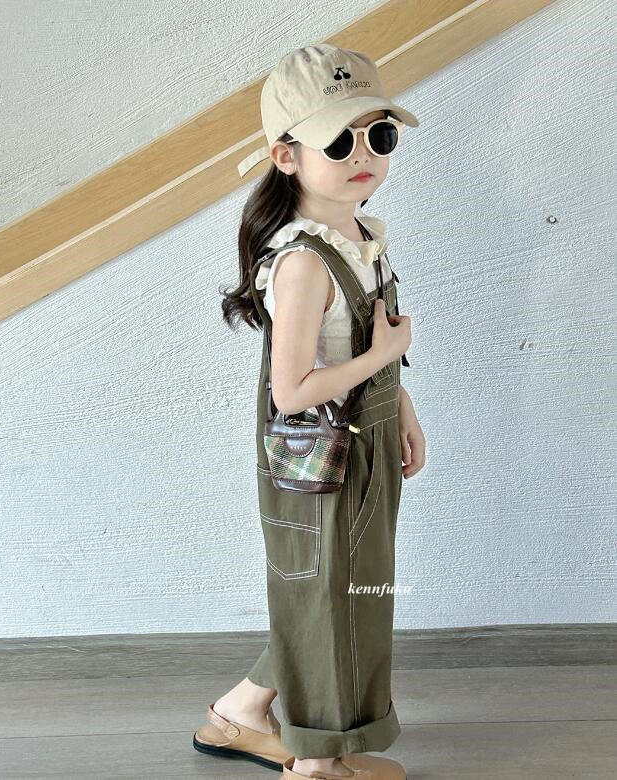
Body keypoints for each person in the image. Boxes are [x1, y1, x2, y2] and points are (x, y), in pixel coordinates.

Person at [194, 43, 426, 780]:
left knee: (341, 595)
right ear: (286, 156)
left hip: (364, 441)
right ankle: (317, 764)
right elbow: (291, 392)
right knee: (331, 597)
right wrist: (384, 356)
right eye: (338, 141)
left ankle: (242, 713)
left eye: (378, 135)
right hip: (321, 457)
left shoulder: (360, 237)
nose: (365, 156)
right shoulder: (301, 262)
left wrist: (402, 406)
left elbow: (363, 346)